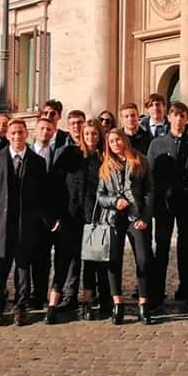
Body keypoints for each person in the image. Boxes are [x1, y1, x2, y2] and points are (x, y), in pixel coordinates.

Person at [0, 119, 48, 326]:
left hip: (25, 224)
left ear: (26, 135)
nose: (17, 137)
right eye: (13, 133)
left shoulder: (37, 161)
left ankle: (21, 308)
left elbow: (41, 194)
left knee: (23, 270)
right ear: (8, 136)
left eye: (20, 133)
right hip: (0, 223)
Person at [148, 102, 188, 313]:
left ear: (186, 118)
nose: (178, 119)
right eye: (174, 115)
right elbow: (151, 174)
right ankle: (156, 293)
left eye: (182, 115)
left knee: (187, 249)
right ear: (169, 117)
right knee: (162, 247)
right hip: (164, 204)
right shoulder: (157, 144)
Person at [96, 128, 154, 324]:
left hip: (135, 216)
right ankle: (117, 303)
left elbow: (149, 191)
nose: (115, 144)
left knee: (143, 259)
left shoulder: (139, 160)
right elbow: (100, 196)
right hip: (113, 218)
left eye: (118, 139)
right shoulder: (105, 166)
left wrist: (145, 217)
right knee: (113, 260)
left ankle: (144, 303)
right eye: (111, 141)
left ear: (124, 140)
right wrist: (114, 201)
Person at [56, 120, 102, 320]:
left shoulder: (103, 158)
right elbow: (55, 183)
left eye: (94, 134)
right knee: (71, 258)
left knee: (90, 261)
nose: (90, 138)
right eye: (87, 134)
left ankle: (88, 300)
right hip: (71, 215)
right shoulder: (69, 154)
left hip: (94, 216)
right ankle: (68, 296)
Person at [34, 115, 78, 318]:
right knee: (39, 259)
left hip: (58, 217)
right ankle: (37, 295)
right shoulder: (26, 153)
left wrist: (58, 216)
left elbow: (61, 189)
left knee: (62, 259)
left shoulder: (59, 154)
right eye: (42, 128)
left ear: (54, 132)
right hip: (34, 217)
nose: (45, 132)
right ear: (36, 130)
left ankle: (55, 299)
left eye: (49, 129)